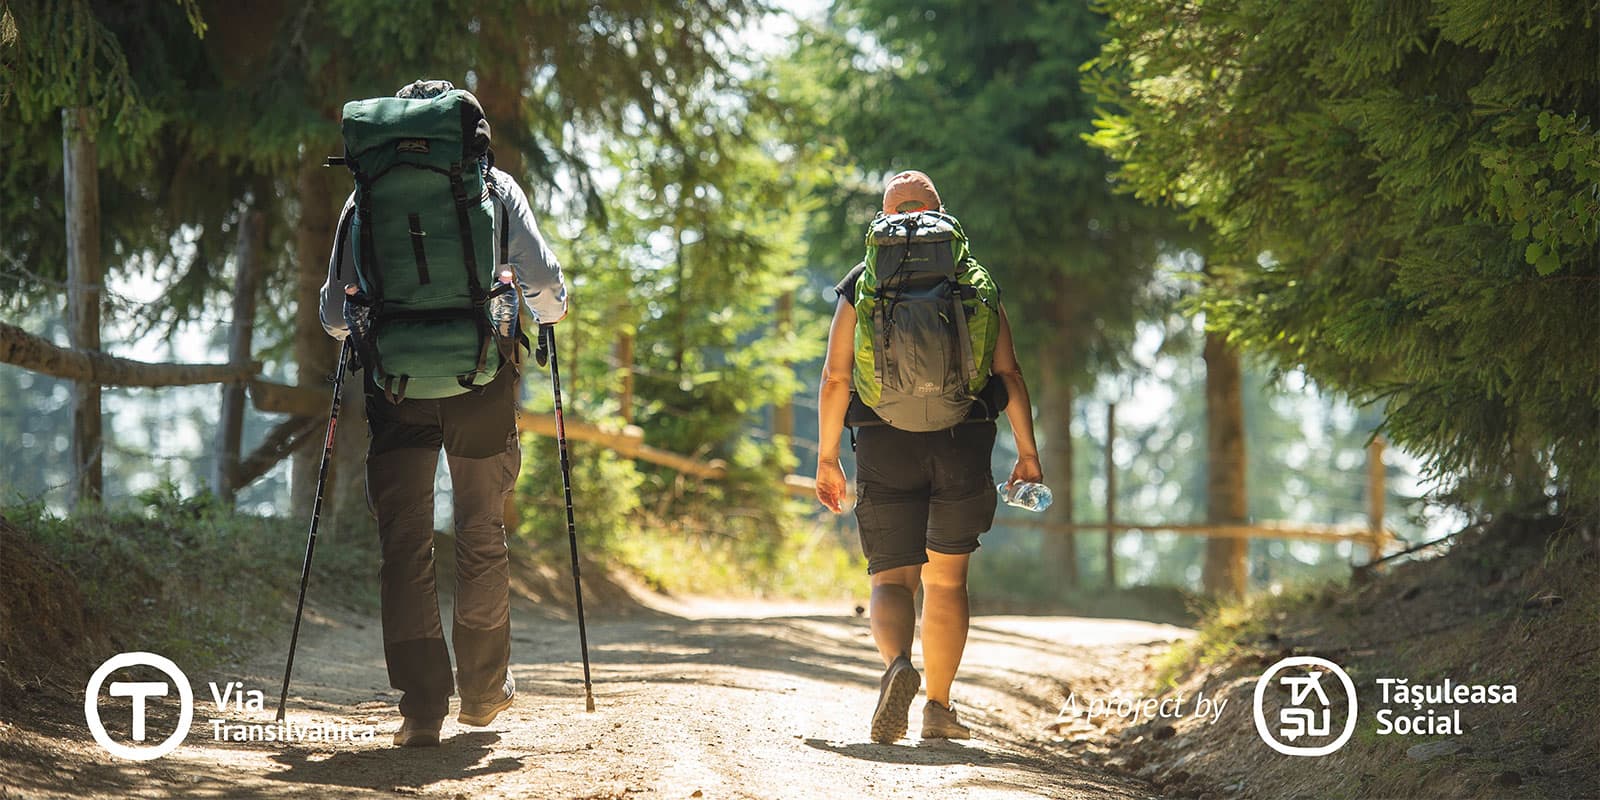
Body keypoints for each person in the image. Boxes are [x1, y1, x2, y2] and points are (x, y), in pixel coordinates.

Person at [319, 79, 568, 747]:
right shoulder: (494, 187)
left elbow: (332, 316)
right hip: (482, 379)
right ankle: (484, 693)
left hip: (396, 388)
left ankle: (421, 708)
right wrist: (545, 311)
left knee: (405, 544)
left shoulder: (364, 194)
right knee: (480, 532)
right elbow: (544, 288)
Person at [814, 170, 1043, 743]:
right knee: (946, 583)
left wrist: (826, 458)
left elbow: (836, 376)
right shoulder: (972, 278)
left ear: (886, 217)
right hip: (962, 439)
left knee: (892, 580)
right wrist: (1028, 455)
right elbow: (1008, 372)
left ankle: (897, 665)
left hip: (884, 439)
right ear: (940, 213)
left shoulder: (864, 281)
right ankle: (938, 708)